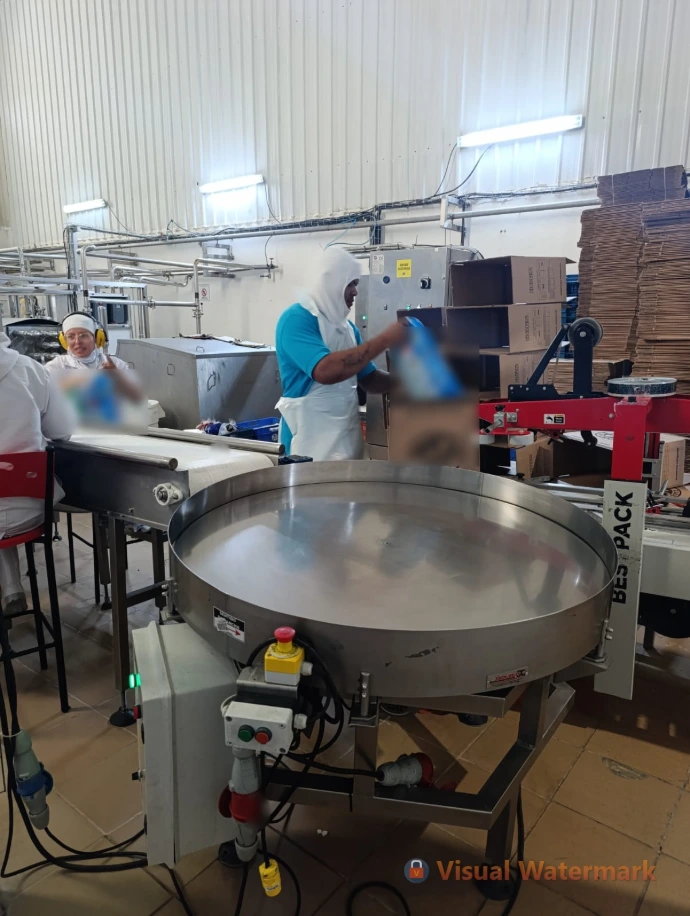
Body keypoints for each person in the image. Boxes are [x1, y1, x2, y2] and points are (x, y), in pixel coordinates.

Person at [275, 248, 405, 460]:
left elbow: (370, 379)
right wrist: (385, 339)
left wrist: (409, 382)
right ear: (331, 282)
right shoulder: (297, 319)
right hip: (307, 446)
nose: (355, 292)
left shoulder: (348, 329)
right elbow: (325, 370)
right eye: (350, 284)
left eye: (356, 284)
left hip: (347, 445)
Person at [0, 329, 75, 623]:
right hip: (30, 509)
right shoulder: (30, 369)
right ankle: (11, 590)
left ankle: (11, 590)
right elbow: (61, 431)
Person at [46, 312, 141, 401]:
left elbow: (136, 399)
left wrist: (117, 378)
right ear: (64, 341)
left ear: (96, 338)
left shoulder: (117, 365)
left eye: (83, 336)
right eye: (71, 337)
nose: (77, 342)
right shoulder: (56, 366)